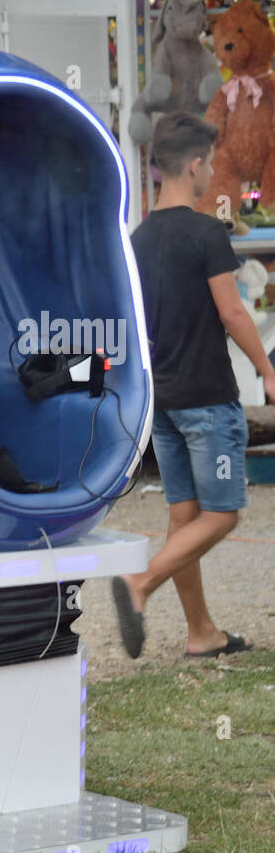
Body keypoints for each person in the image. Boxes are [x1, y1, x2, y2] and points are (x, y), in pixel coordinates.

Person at [114, 112, 275, 658]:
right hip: (207, 401)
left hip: (162, 403)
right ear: (197, 164)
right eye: (211, 165)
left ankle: (201, 633)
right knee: (223, 512)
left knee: (184, 516)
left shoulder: (137, 241)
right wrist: (269, 372)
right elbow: (232, 312)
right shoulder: (207, 231)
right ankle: (140, 584)